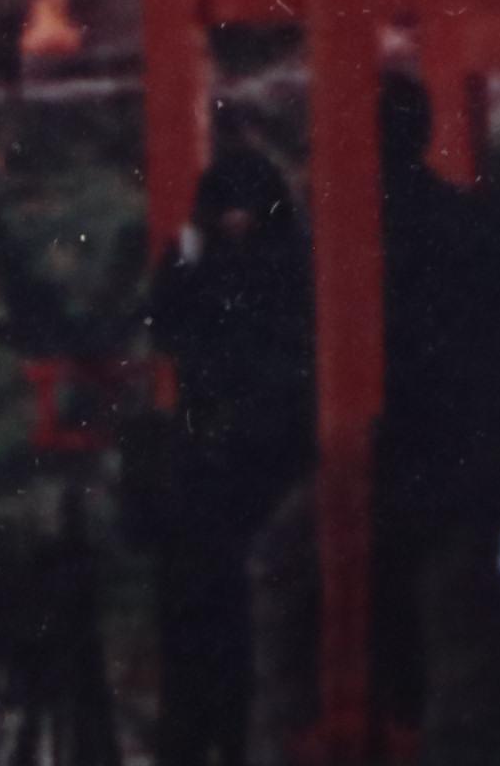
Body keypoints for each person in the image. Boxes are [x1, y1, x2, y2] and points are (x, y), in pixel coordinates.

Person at [371, 71, 500, 766]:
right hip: (464, 464)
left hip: (378, 463)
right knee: (461, 647)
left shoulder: (338, 235)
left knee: (382, 645)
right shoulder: (477, 223)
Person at [146, 146, 314, 766]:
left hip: (217, 470)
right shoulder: (293, 260)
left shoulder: (209, 265)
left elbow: (163, 322)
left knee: (209, 638)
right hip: (266, 467)